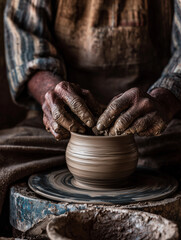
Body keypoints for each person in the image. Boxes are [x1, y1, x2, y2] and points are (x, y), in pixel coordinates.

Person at [1, 0, 181, 234]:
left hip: (157, 123)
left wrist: (165, 99)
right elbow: (26, 44)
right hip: (58, 126)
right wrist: (51, 92)